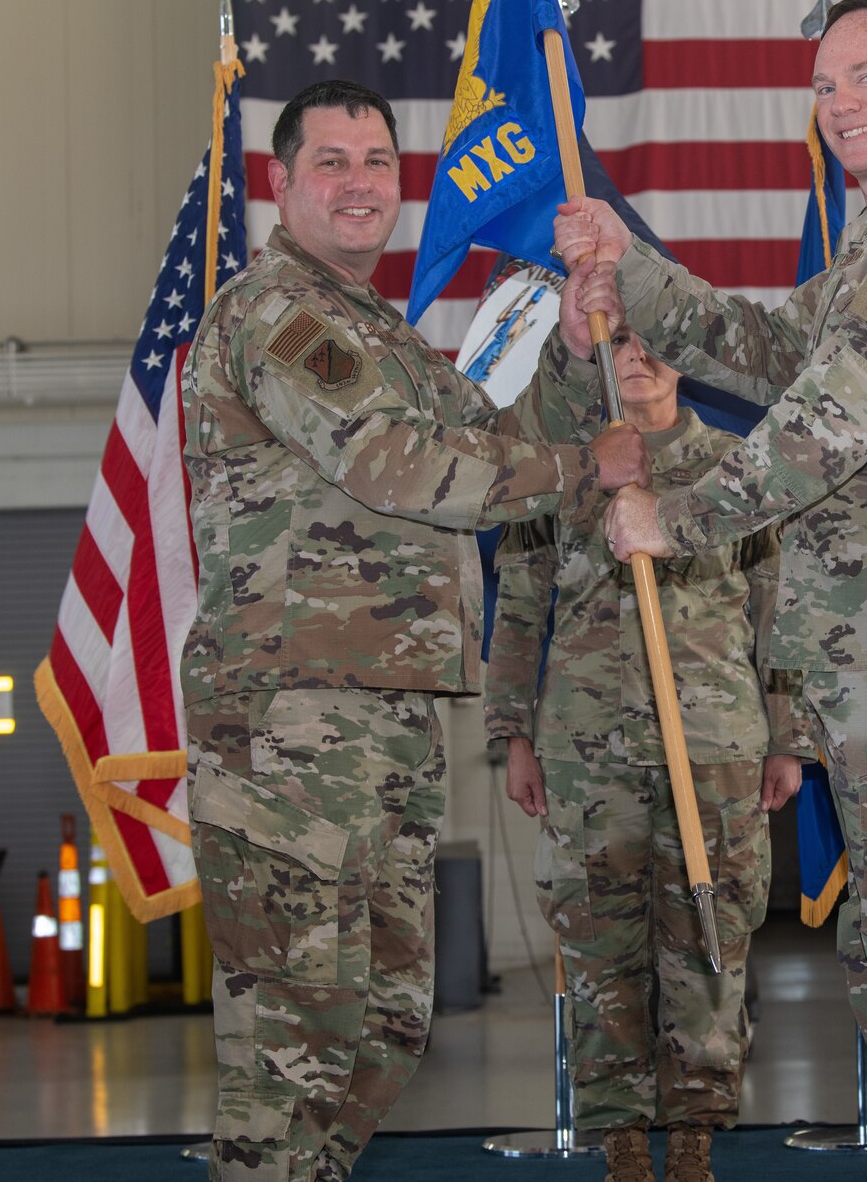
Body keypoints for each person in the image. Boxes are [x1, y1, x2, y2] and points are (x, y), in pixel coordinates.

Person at [548, 0, 867, 1181]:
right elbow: (783, 359)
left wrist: (672, 517)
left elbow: (831, 419)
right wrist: (637, 271)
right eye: (825, 83)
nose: (839, 103)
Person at [178, 78, 648, 1182]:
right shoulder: (278, 316)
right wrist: (586, 469)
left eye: (378, 162)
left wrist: (579, 362)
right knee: (294, 1042)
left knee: (381, 1025)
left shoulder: (376, 333)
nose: (358, 183)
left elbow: (488, 436)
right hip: (292, 721)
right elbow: (404, 466)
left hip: (377, 720)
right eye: (330, 162)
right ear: (278, 183)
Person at [487, 325, 811, 1182]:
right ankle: (623, 1134)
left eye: (656, 339)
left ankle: (697, 1130)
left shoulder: (738, 463)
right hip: (586, 748)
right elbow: (518, 608)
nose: (637, 355)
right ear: (596, 354)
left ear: (687, 356)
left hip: (713, 745)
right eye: (618, 339)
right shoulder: (565, 465)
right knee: (600, 943)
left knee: (710, 934)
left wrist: (789, 737)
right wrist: (511, 734)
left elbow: (781, 610)